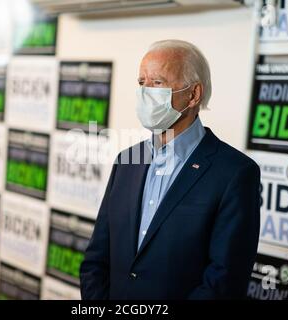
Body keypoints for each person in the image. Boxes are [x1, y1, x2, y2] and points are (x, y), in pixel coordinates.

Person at [80, 39, 261, 300]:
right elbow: (97, 259)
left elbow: (223, 282)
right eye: (142, 82)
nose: (145, 92)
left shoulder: (235, 173)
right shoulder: (127, 161)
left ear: (193, 94)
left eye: (158, 83)